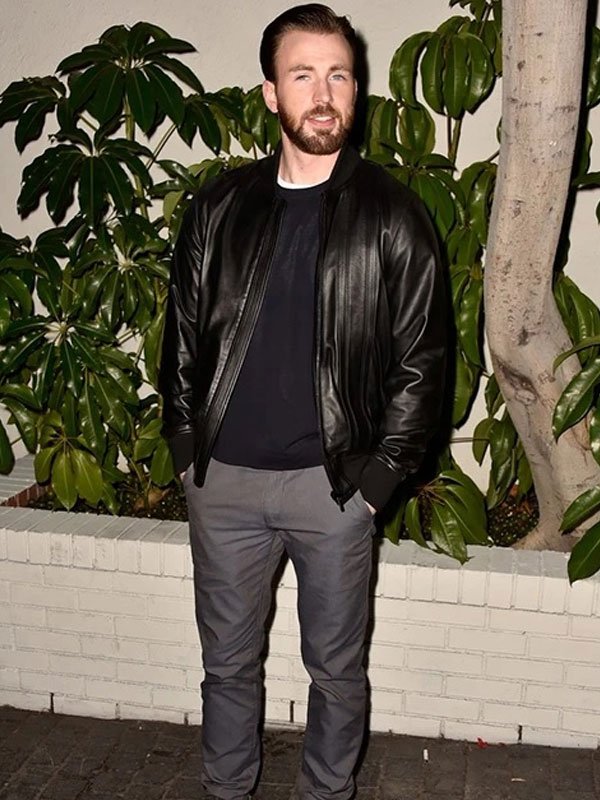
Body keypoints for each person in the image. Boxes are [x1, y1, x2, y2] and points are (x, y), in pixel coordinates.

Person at [159, 4, 446, 799]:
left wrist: (378, 482)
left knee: (337, 674)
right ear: (270, 93)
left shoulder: (394, 214)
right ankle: (226, 790)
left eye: (339, 76)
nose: (323, 95)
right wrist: (186, 450)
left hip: (336, 491)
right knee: (226, 667)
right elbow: (181, 336)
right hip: (225, 485)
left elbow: (423, 364)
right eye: (303, 75)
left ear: (356, 89)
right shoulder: (219, 207)